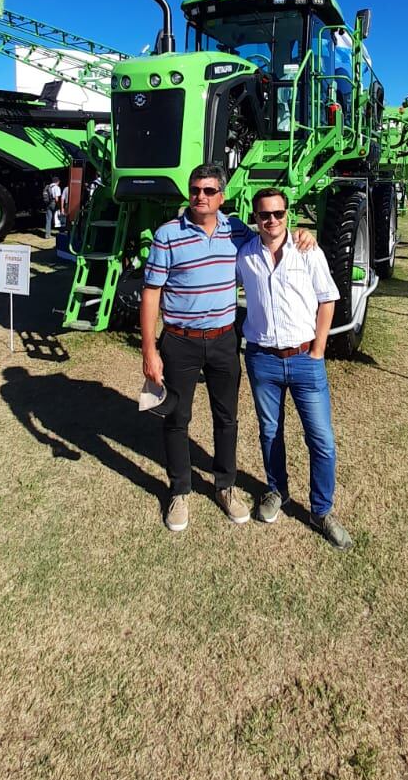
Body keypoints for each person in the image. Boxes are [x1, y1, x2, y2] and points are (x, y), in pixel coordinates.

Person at [141, 163, 314, 533]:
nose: (199, 196)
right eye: (194, 190)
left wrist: (303, 234)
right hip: (179, 342)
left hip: (224, 340)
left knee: (227, 418)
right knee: (177, 418)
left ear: (222, 196)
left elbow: (272, 236)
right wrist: (149, 351)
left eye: (207, 191)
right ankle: (180, 490)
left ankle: (225, 485)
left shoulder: (236, 231)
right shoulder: (167, 234)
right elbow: (151, 292)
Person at [237, 187, 352, 550]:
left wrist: (319, 349)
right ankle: (276, 491)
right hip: (263, 359)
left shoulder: (308, 250)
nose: (271, 221)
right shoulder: (245, 256)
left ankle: (322, 510)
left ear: (288, 215)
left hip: (305, 359)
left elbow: (328, 298)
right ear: (255, 218)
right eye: (263, 215)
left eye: (278, 214)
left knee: (321, 439)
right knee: (270, 432)